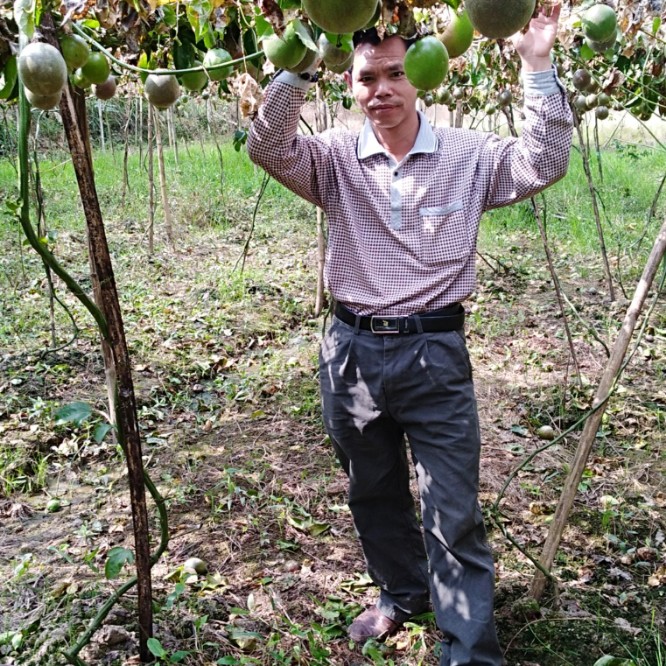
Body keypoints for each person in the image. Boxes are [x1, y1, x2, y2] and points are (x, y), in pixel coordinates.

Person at [248, 5, 572, 665]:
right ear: (350, 83)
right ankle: (403, 594)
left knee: (451, 509)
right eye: (368, 78)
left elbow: (543, 162)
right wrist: (304, 54)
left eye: (396, 74)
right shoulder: (334, 159)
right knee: (372, 489)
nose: (383, 91)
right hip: (352, 354)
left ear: (422, 76)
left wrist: (538, 66)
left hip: (434, 353)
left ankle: (469, 650)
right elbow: (267, 146)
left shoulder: (467, 155)